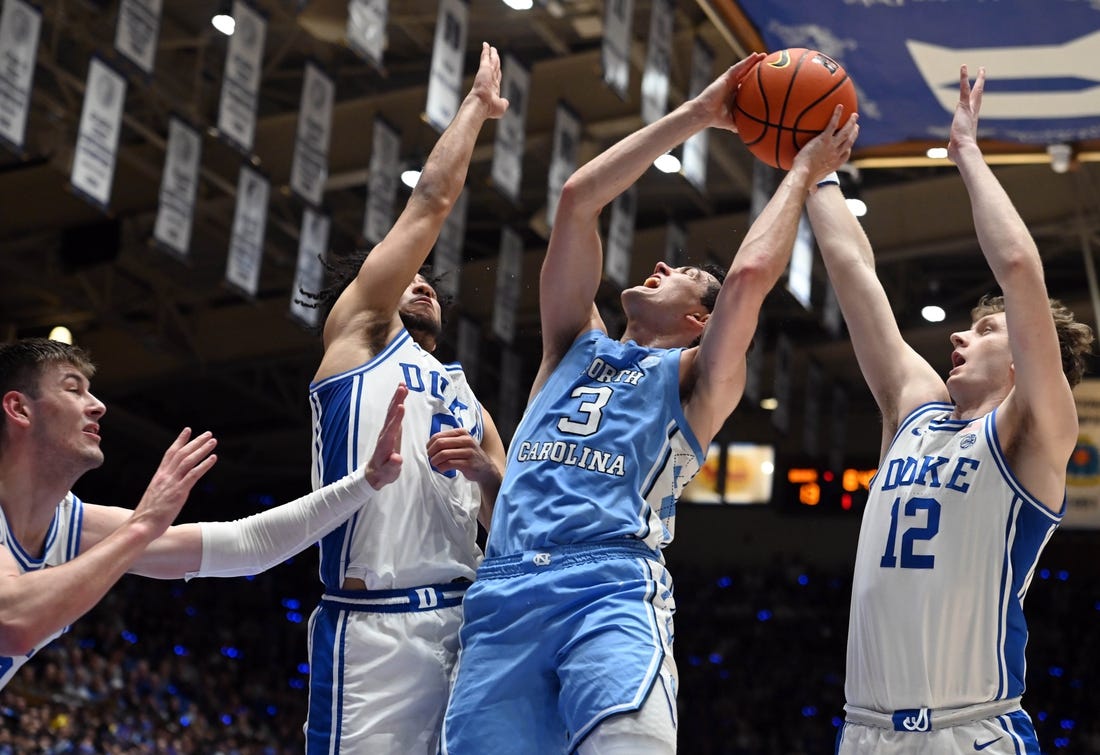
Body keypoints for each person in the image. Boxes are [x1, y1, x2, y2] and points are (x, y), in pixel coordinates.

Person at [440, 52, 858, 754]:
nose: (658, 265)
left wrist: (801, 173)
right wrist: (700, 112)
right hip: (505, 587)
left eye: (682, 274)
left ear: (699, 320)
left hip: (607, 586)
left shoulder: (696, 381)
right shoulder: (573, 344)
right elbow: (578, 197)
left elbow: (752, 274)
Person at [808, 67, 1094, 754]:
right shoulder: (913, 410)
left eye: (986, 330)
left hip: (968, 731)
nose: (960, 336)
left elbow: (1021, 269)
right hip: (865, 732)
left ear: (1025, 360)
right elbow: (853, 270)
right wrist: (813, 174)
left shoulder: (1030, 433)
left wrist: (966, 152)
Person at [301, 42, 508, 754]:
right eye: (409, 276)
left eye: (434, 284)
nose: (424, 283)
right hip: (374, 630)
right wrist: (477, 108)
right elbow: (430, 200)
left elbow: (512, 517)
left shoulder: (465, 394)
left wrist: (487, 473)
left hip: (465, 622)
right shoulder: (357, 339)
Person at [0, 336, 409, 690]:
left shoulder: (71, 525)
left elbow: (247, 545)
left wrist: (365, 481)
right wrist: (142, 525)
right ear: (19, 409)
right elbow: (15, 623)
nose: (98, 406)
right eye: (74, 390)